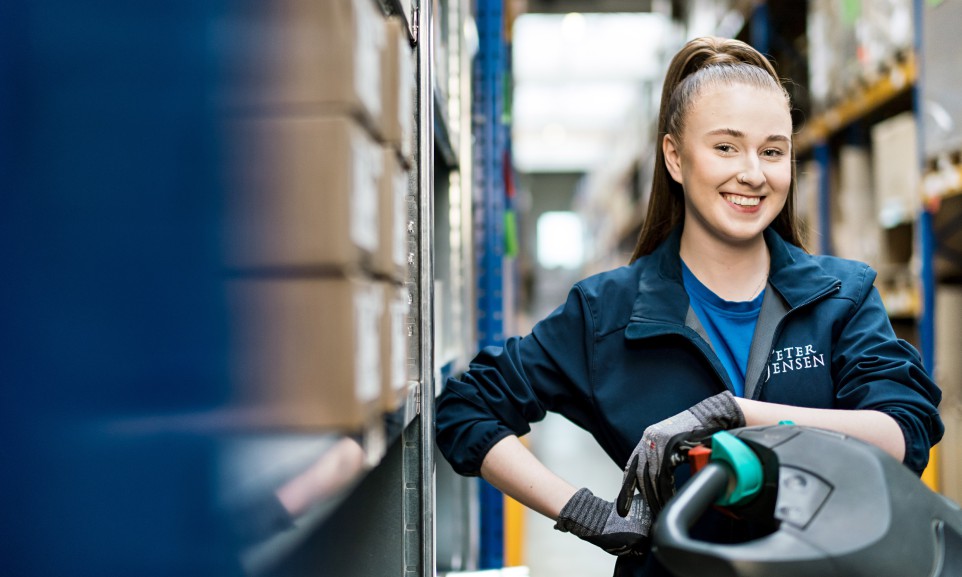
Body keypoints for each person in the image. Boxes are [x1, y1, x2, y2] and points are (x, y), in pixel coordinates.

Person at [435, 36, 944, 577]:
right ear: (675, 157)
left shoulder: (841, 297)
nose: (753, 173)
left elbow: (902, 435)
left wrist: (735, 416)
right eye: (726, 147)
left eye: (773, 151)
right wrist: (583, 512)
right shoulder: (608, 313)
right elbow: (467, 409)